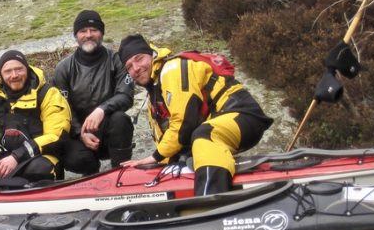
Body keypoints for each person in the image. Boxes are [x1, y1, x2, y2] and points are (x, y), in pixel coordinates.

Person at [117, 34, 274, 195]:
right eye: (129, 67)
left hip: (243, 115)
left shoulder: (172, 69)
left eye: (139, 59)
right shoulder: (154, 96)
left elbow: (185, 122)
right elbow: (168, 141)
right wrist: (164, 168)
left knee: (205, 134)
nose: (136, 68)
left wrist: (154, 157)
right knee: (188, 150)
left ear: (152, 55)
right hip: (221, 125)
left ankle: (210, 201)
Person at [53, 10, 134, 177]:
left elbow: (126, 96)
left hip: (108, 129)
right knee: (74, 156)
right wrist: (79, 133)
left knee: (121, 119)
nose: (88, 35)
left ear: (102, 33)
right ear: (76, 35)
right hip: (78, 135)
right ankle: (91, 173)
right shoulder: (63, 68)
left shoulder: (117, 60)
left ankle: (121, 174)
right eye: (83, 31)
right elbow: (62, 109)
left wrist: (102, 109)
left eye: (94, 30)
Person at [0, 50, 71, 183]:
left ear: (27, 69)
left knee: (38, 169)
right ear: (1, 75)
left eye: (19, 69)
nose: (14, 75)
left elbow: (56, 136)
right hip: (5, 157)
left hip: (39, 156)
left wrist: (17, 156)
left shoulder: (48, 94)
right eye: (8, 71)